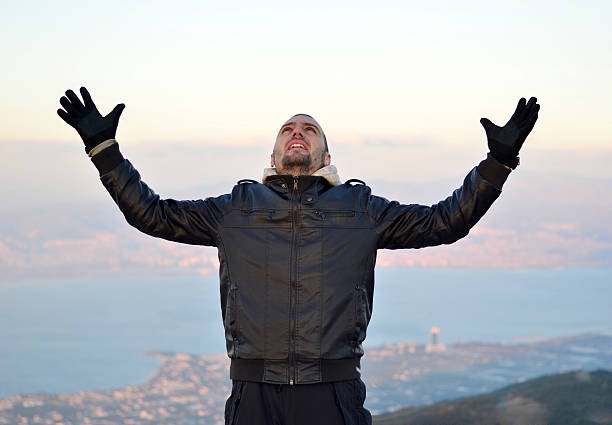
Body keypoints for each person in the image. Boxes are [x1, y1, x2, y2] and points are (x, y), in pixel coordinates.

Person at [57, 87, 540, 425]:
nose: (297, 132)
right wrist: (104, 149)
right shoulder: (235, 209)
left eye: (309, 129)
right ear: (272, 154)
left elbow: (444, 222)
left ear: (326, 156)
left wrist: (497, 163)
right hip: (254, 394)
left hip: (332, 394)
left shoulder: (361, 209)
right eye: (288, 128)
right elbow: (152, 214)